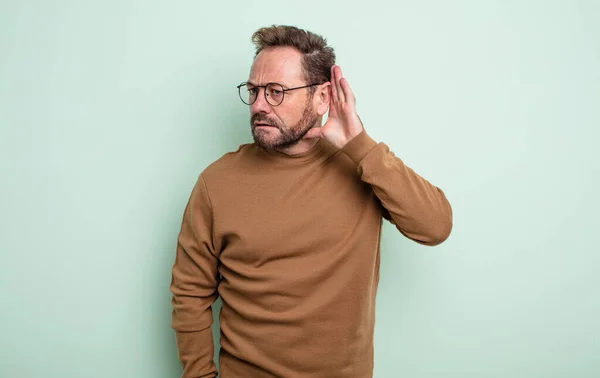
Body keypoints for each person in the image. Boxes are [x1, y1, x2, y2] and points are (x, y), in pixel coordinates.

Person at [170, 25, 453, 378]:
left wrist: (360, 145)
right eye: (254, 91)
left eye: (276, 92)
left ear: (323, 98)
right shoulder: (216, 183)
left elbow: (435, 226)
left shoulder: (363, 166)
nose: (258, 105)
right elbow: (189, 294)